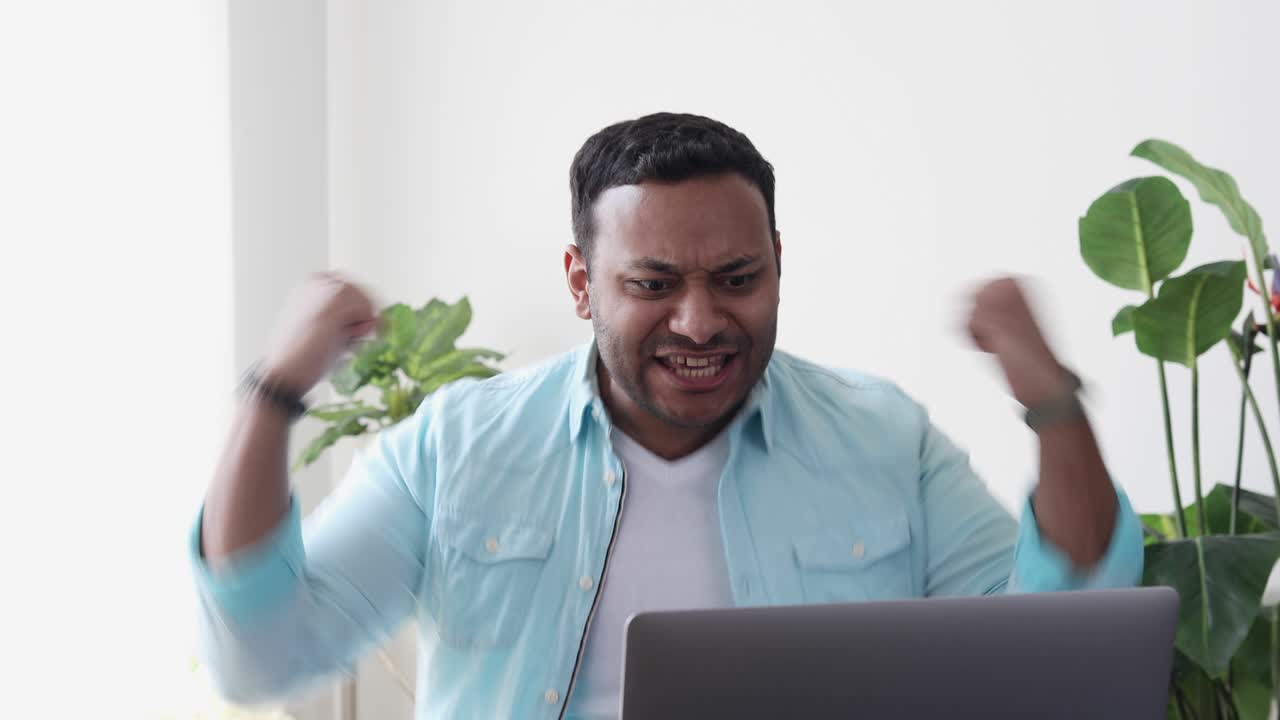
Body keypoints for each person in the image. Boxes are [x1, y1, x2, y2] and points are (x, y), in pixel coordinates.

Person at [192, 112, 1142, 719]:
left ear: (778, 263)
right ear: (581, 283)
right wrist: (275, 392)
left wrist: (1051, 400)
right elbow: (260, 653)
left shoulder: (884, 437)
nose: (699, 321)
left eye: (737, 278)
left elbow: (1059, 643)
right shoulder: (457, 444)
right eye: (652, 285)